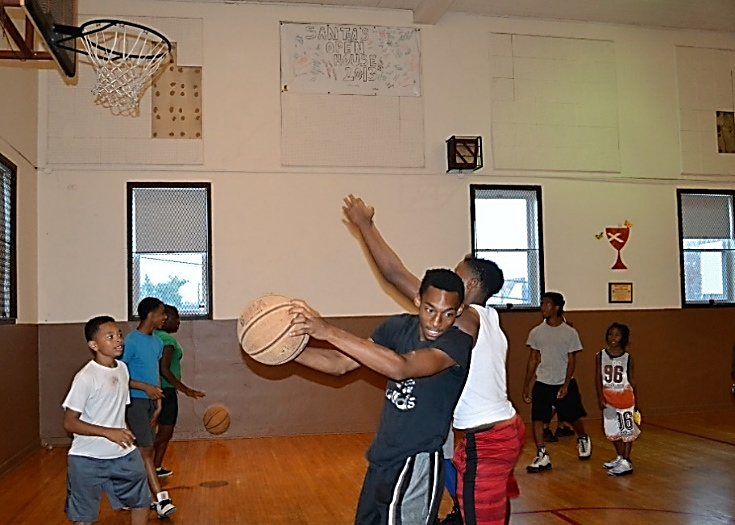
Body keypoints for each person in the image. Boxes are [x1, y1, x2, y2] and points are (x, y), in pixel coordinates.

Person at [342, 194, 524, 525]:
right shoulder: (490, 318)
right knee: (475, 504)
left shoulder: (466, 318)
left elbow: (394, 274)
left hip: (488, 439)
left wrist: (365, 225)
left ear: (470, 285)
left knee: (479, 517)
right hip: (500, 429)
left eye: (457, 274)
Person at [289, 269, 474, 525]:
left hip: (417, 461)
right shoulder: (397, 327)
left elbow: (401, 368)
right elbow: (340, 363)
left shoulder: (457, 344)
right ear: (418, 300)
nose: (436, 322)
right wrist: (286, 352)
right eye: (430, 309)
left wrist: (328, 331)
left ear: (459, 311)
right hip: (382, 457)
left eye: (448, 314)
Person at [62, 315, 151, 525]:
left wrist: (124, 432)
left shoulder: (122, 369)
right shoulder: (86, 377)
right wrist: (108, 432)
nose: (118, 339)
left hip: (123, 453)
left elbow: (117, 410)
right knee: (84, 518)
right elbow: (70, 423)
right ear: (93, 345)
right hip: (86, 458)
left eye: (119, 334)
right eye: (110, 337)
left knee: (141, 501)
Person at [523, 292, 591, 473]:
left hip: (563, 382)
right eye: (542, 304)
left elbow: (572, 360)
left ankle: (582, 437)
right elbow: (533, 359)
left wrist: (566, 384)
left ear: (557, 307)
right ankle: (541, 454)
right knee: (538, 418)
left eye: (546, 304)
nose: (542, 307)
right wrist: (527, 384)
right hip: (542, 382)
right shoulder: (537, 332)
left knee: (573, 417)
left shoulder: (570, 333)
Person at [120, 297, 175, 518]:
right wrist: (144, 388)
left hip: (152, 403)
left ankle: (130, 496)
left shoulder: (157, 342)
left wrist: (159, 402)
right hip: (135, 401)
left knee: (141, 451)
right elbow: (119, 376)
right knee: (146, 451)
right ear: (150, 315)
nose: (165, 317)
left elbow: (155, 374)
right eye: (162, 313)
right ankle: (161, 499)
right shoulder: (131, 342)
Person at [153, 304, 206, 478]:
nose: (179, 322)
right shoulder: (167, 340)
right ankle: (140, 459)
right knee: (165, 432)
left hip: (156, 389)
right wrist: (185, 389)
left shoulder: (154, 336)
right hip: (166, 390)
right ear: (166, 318)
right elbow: (164, 369)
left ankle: (155, 467)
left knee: (161, 432)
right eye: (176, 318)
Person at [596, 322, 639, 476]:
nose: (613, 338)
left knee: (626, 431)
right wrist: (600, 396)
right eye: (610, 334)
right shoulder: (600, 355)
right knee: (611, 430)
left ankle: (627, 461)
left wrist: (636, 401)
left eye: (617, 335)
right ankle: (621, 456)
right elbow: (598, 377)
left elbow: (632, 380)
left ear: (623, 338)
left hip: (625, 399)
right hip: (609, 399)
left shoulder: (628, 358)